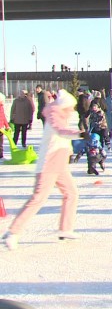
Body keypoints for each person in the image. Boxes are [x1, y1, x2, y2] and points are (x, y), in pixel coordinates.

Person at [2, 90, 85, 251]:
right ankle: (13, 233)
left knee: (72, 193)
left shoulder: (60, 116)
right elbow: (62, 131)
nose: (72, 111)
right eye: (70, 108)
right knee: (38, 199)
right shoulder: (55, 116)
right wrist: (80, 134)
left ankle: (65, 229)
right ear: (64, 107)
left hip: (59, 165)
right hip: (48, 165)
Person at [0, 93, 10, 159]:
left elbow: (3, 117)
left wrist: (7, 126)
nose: (3, 102)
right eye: (2, 100)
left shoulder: (1, 107)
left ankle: (1, 155)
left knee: (1, 143)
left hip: (1, 128)